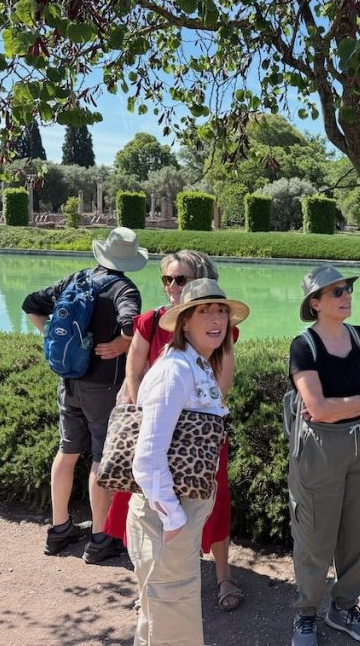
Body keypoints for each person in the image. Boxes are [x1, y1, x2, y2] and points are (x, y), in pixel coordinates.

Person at [103, 250, 245, 610]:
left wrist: (194, 423)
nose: (172, 286)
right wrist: (150, 415)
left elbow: (221, 386)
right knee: (155, 509)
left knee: (213, 503)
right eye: (167, 279)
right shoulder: (152, 323)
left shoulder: (217, 330)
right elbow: (134, 370)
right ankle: (151, 588)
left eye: (181, 279)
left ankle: (221, 576)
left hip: (201, 435)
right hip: (158, 428)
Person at [129, 278, 250, 645]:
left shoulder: (195, 365)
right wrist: (173, 517)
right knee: (173, 618)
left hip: (174, 513)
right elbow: (147, 457)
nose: (216, 319)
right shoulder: (175, 371)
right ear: (184, 323)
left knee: (162, 616)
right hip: (165, 517)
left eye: (221, 311)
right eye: (204, 311)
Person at [22, 226, 145, 562]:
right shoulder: (124, 289)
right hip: (103, 386)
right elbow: (133, 324)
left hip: (69, 380)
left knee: (68, 450)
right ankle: (100, 538)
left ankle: (59, 529)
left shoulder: (77, 279)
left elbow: (31, 304)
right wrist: (123, 343)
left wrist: (51, 337)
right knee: (101, 457)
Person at [287, 265, 360, 646]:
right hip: (320, 448)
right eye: (336, 292)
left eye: (346, 289)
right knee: (315, 534)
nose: (346, 295)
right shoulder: (304, 346)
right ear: (315, 303)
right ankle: (305, 614)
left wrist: (341, 406)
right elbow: (317, 408)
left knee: (354, 531)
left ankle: (344, 607)